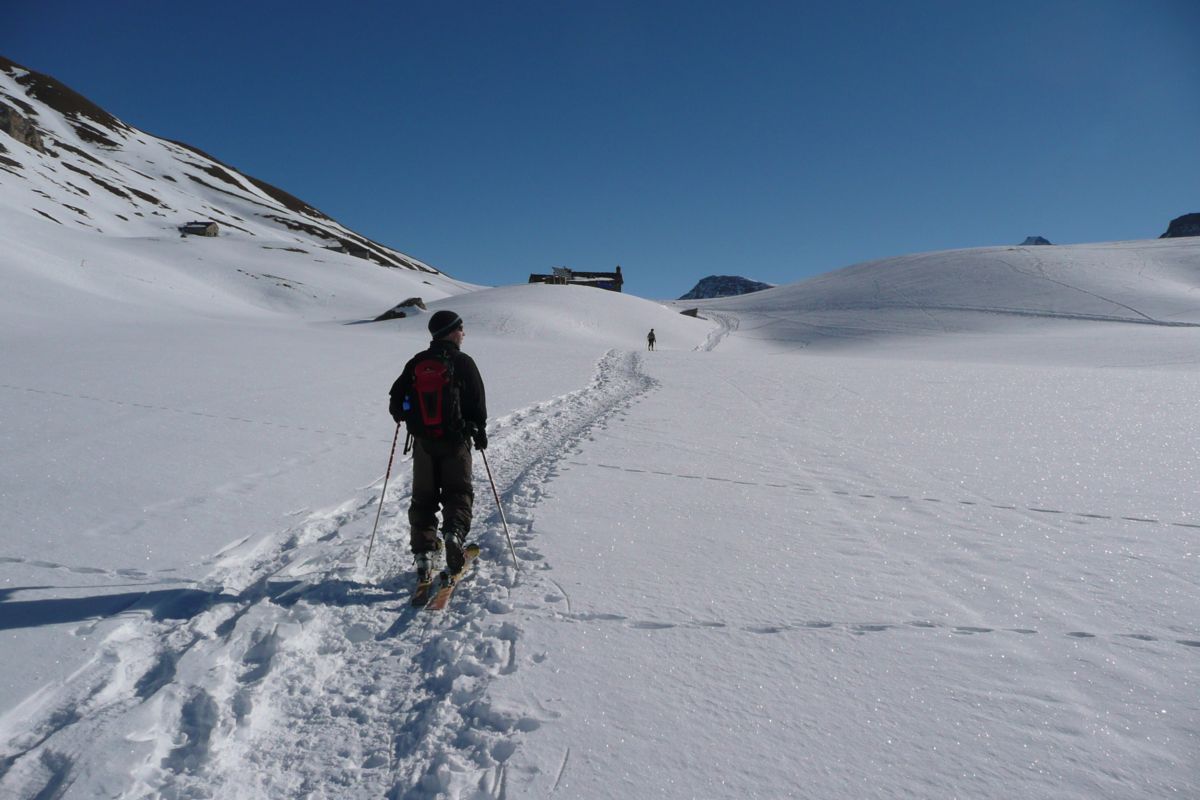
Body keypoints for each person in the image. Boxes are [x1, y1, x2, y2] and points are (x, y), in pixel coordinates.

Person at [389, 310, 488, 583]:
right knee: (458, 492)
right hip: (456, 442)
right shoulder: (463, 362)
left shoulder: (418, 362)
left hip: (424, 444)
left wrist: (408, 417)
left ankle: (424, 554)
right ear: (452, 331)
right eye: (461, 328)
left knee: (423, 499)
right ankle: (453, 535)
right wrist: (479, 431)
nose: (463, 333)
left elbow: (396, 401)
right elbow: (478, 404)